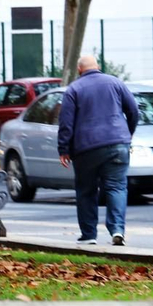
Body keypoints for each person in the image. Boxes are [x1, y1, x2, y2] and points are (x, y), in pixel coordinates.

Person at [57, 54, 140, 245]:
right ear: (98, 66)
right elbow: (133, 110)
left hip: (86, 148)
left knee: (86, 190)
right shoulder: (115, 83)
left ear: (79, 70)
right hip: (118, 143)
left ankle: (89, 234)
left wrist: (64, 149)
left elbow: (66, 123)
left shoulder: (74, 89)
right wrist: (128, 133)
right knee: (117, 187)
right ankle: (117, 229)